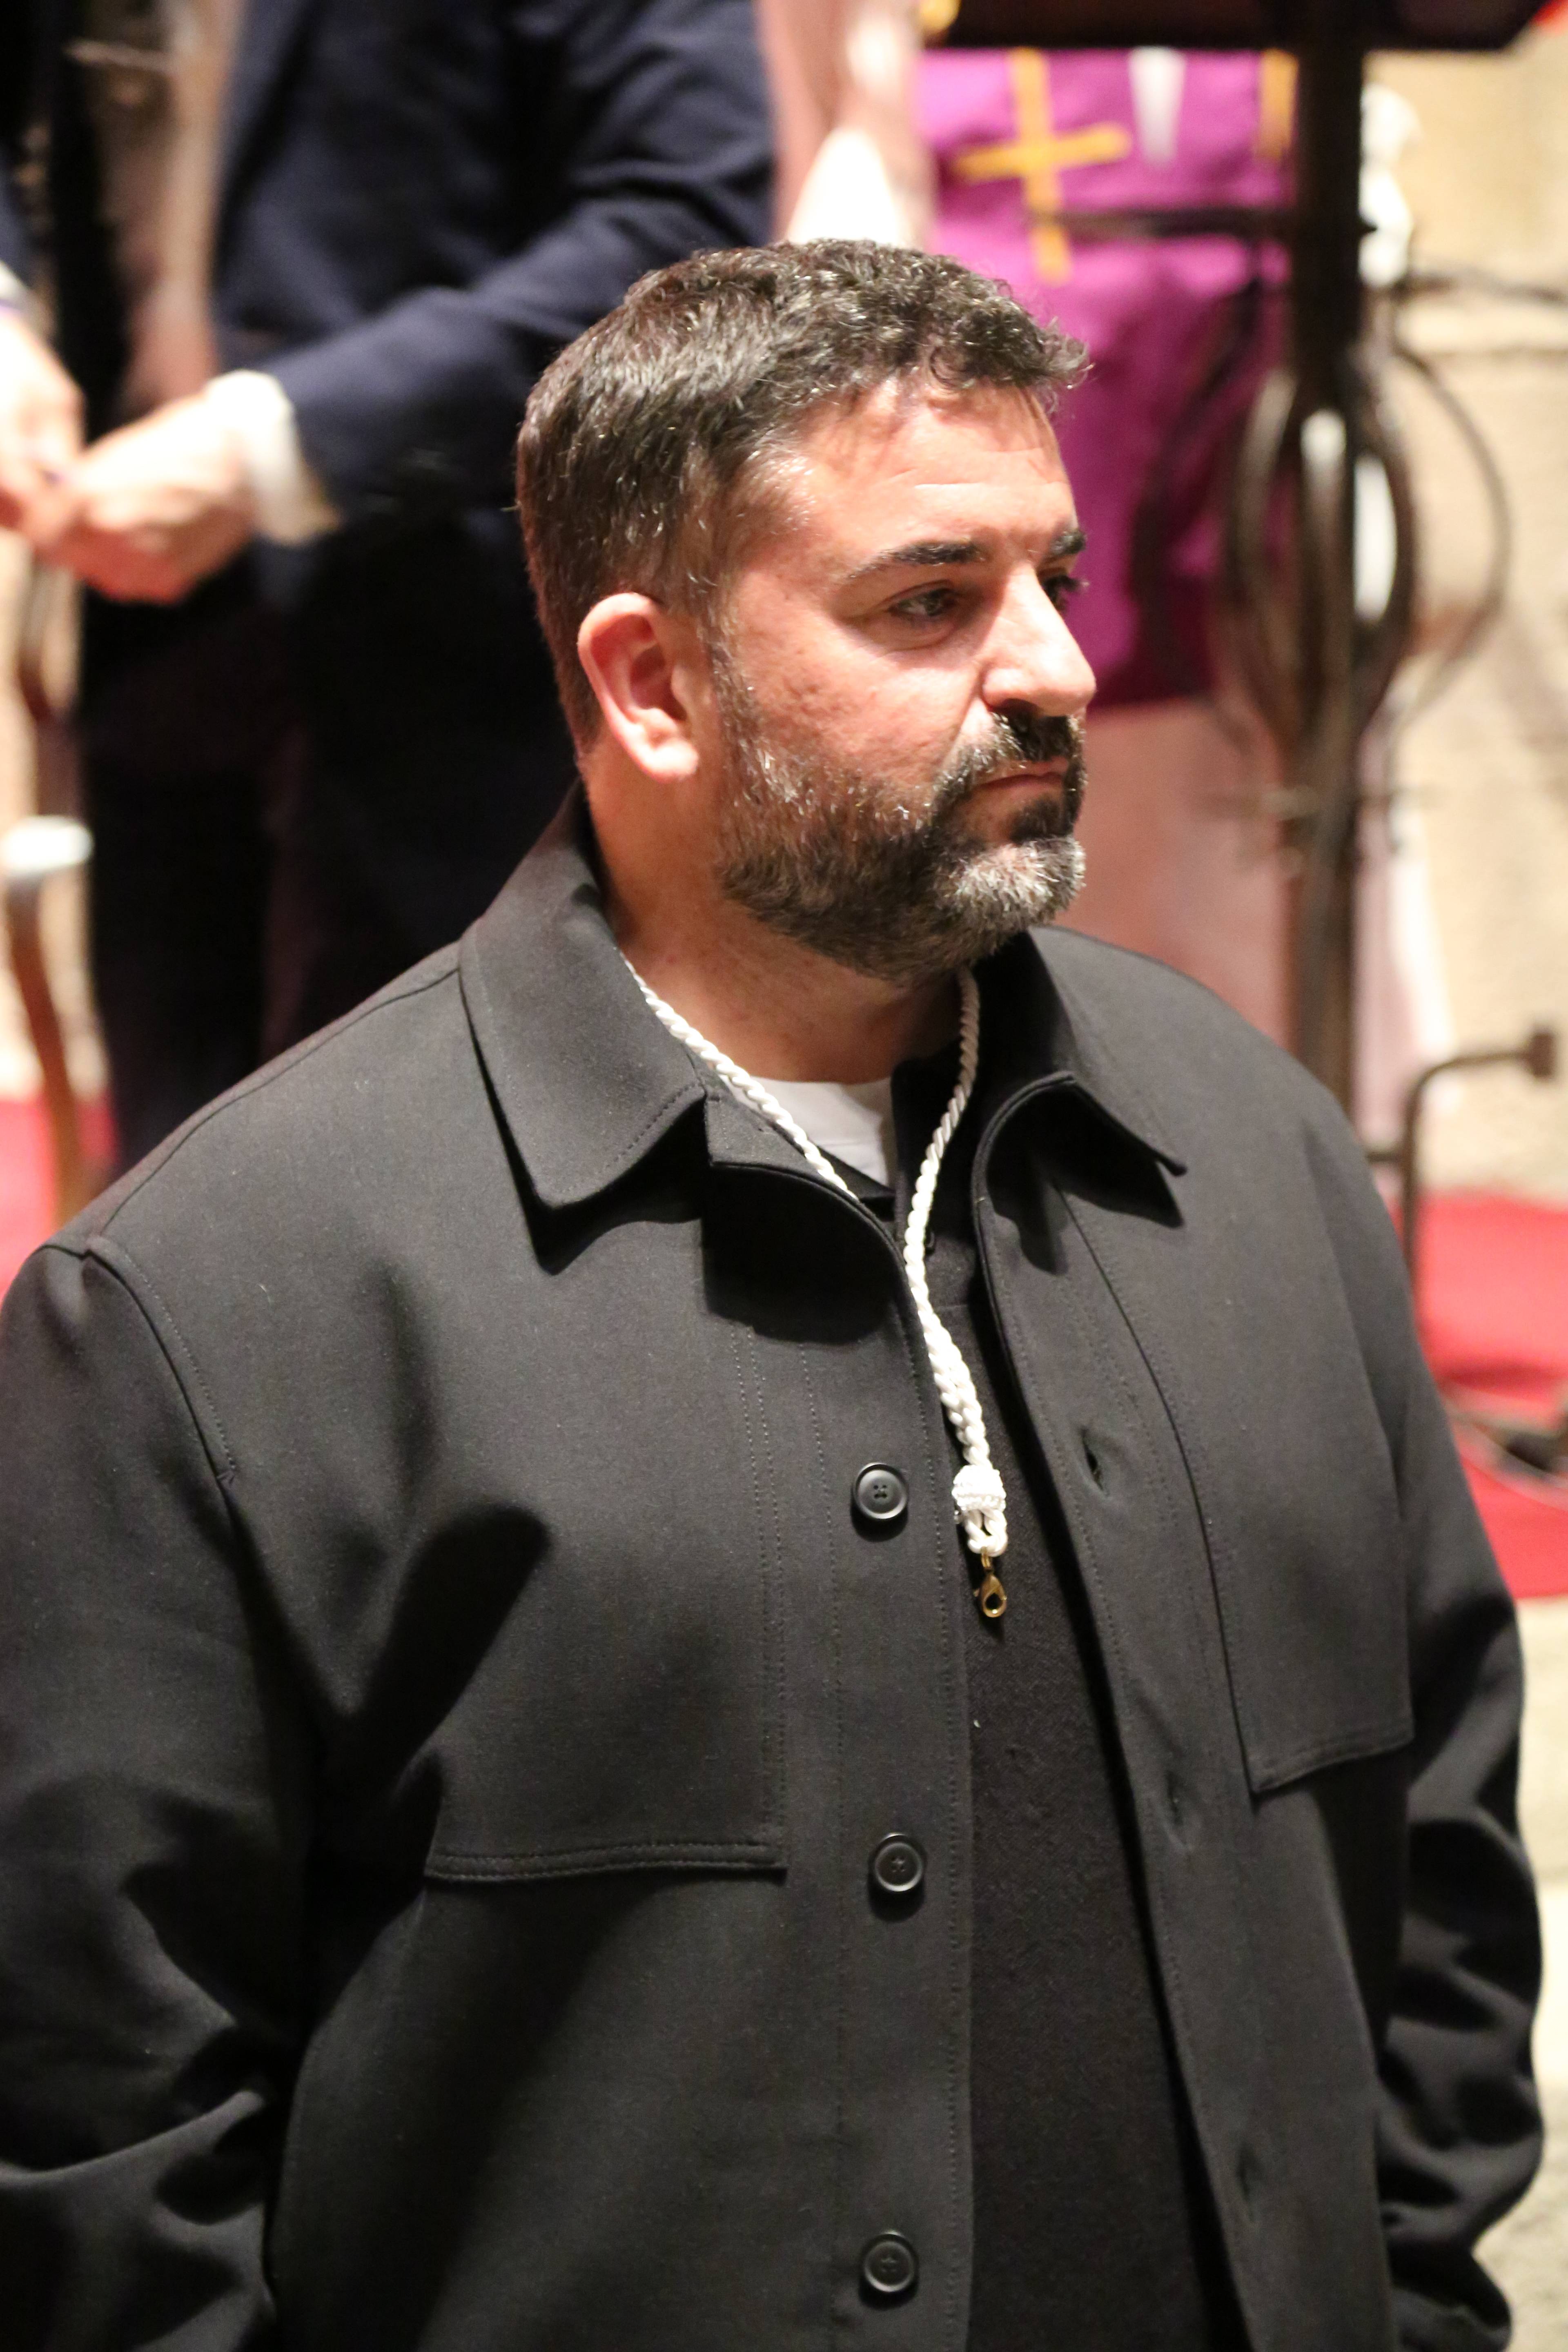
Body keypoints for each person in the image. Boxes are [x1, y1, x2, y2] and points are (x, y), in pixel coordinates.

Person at [0, 242, 1540, 2352]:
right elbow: (98, 2141)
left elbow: (1440, 1883)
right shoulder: (219, 1308)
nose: (1057, 668)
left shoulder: (1252, 1154)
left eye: (1055, 576)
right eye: (931, 600)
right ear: (652, 684)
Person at [0, 0, 772, 1166]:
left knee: (438, 1187)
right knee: (174, 1189)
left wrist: (282, 444)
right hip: (151, 623)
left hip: (459, 632)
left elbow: (681, 232)